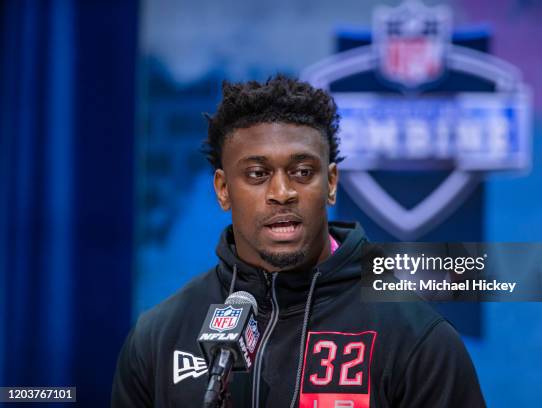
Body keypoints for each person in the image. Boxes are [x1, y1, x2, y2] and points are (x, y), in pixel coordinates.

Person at [111, 75, 486, 407]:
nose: (282, 192)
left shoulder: (416, 338)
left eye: (303, 172)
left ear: (332, 183)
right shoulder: (158, 338)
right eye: (257, 174)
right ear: (223, 190)